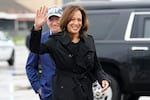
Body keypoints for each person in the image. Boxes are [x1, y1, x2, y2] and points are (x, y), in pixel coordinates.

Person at [29, 5, 110, 100]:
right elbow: (35, 49)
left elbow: (96, 67)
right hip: (64, 92)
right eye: (72, 19)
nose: (76, 23)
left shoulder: (89, 40)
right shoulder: (55, 41)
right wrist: (37, 27)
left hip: (85, 91)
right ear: (66, 21)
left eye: (79, 20)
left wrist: (103, 79)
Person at [26, 6, 63, 100]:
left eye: (57, 19)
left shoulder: (70, 39)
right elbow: (30, 66)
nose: (54, 23)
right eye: (51, 20)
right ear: (47, 21)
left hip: (68, 93)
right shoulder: (40, 39)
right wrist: (38, 87)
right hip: (48, 93)